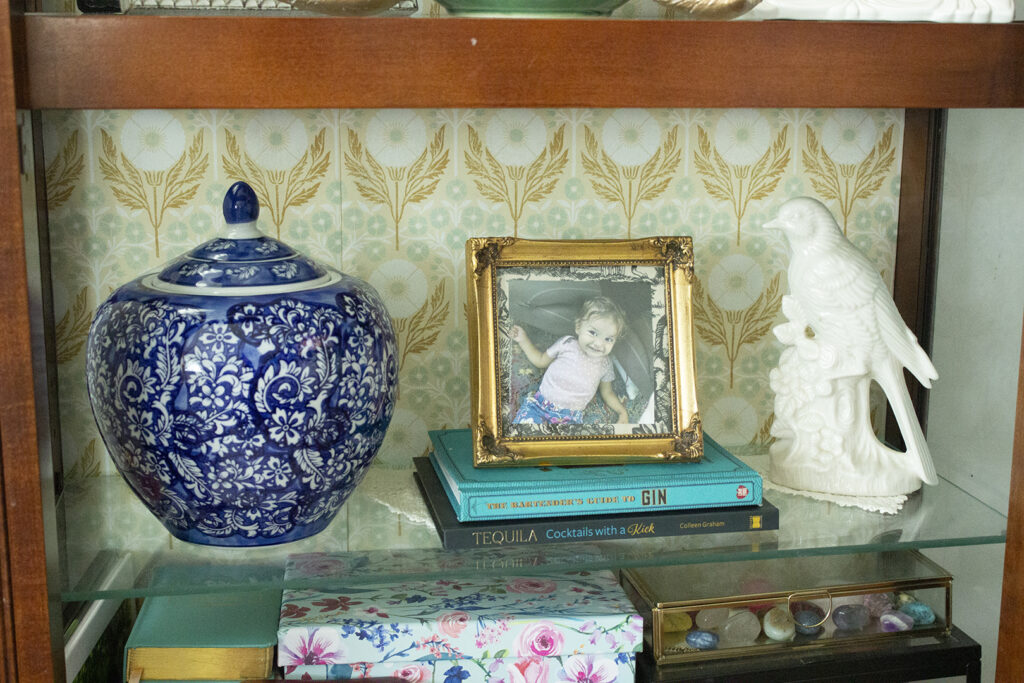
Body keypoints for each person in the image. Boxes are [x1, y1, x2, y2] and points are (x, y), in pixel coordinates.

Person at [510, 296, 629, 425]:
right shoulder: (566, 344)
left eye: (608, 339)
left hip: (570, 419)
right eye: (593, 333)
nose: (599, 344)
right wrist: (523, 340)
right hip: (538, 407)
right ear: (578, 327)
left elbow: (607, 392)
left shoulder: (605, 364)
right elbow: (540, 360)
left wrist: (622, 412)